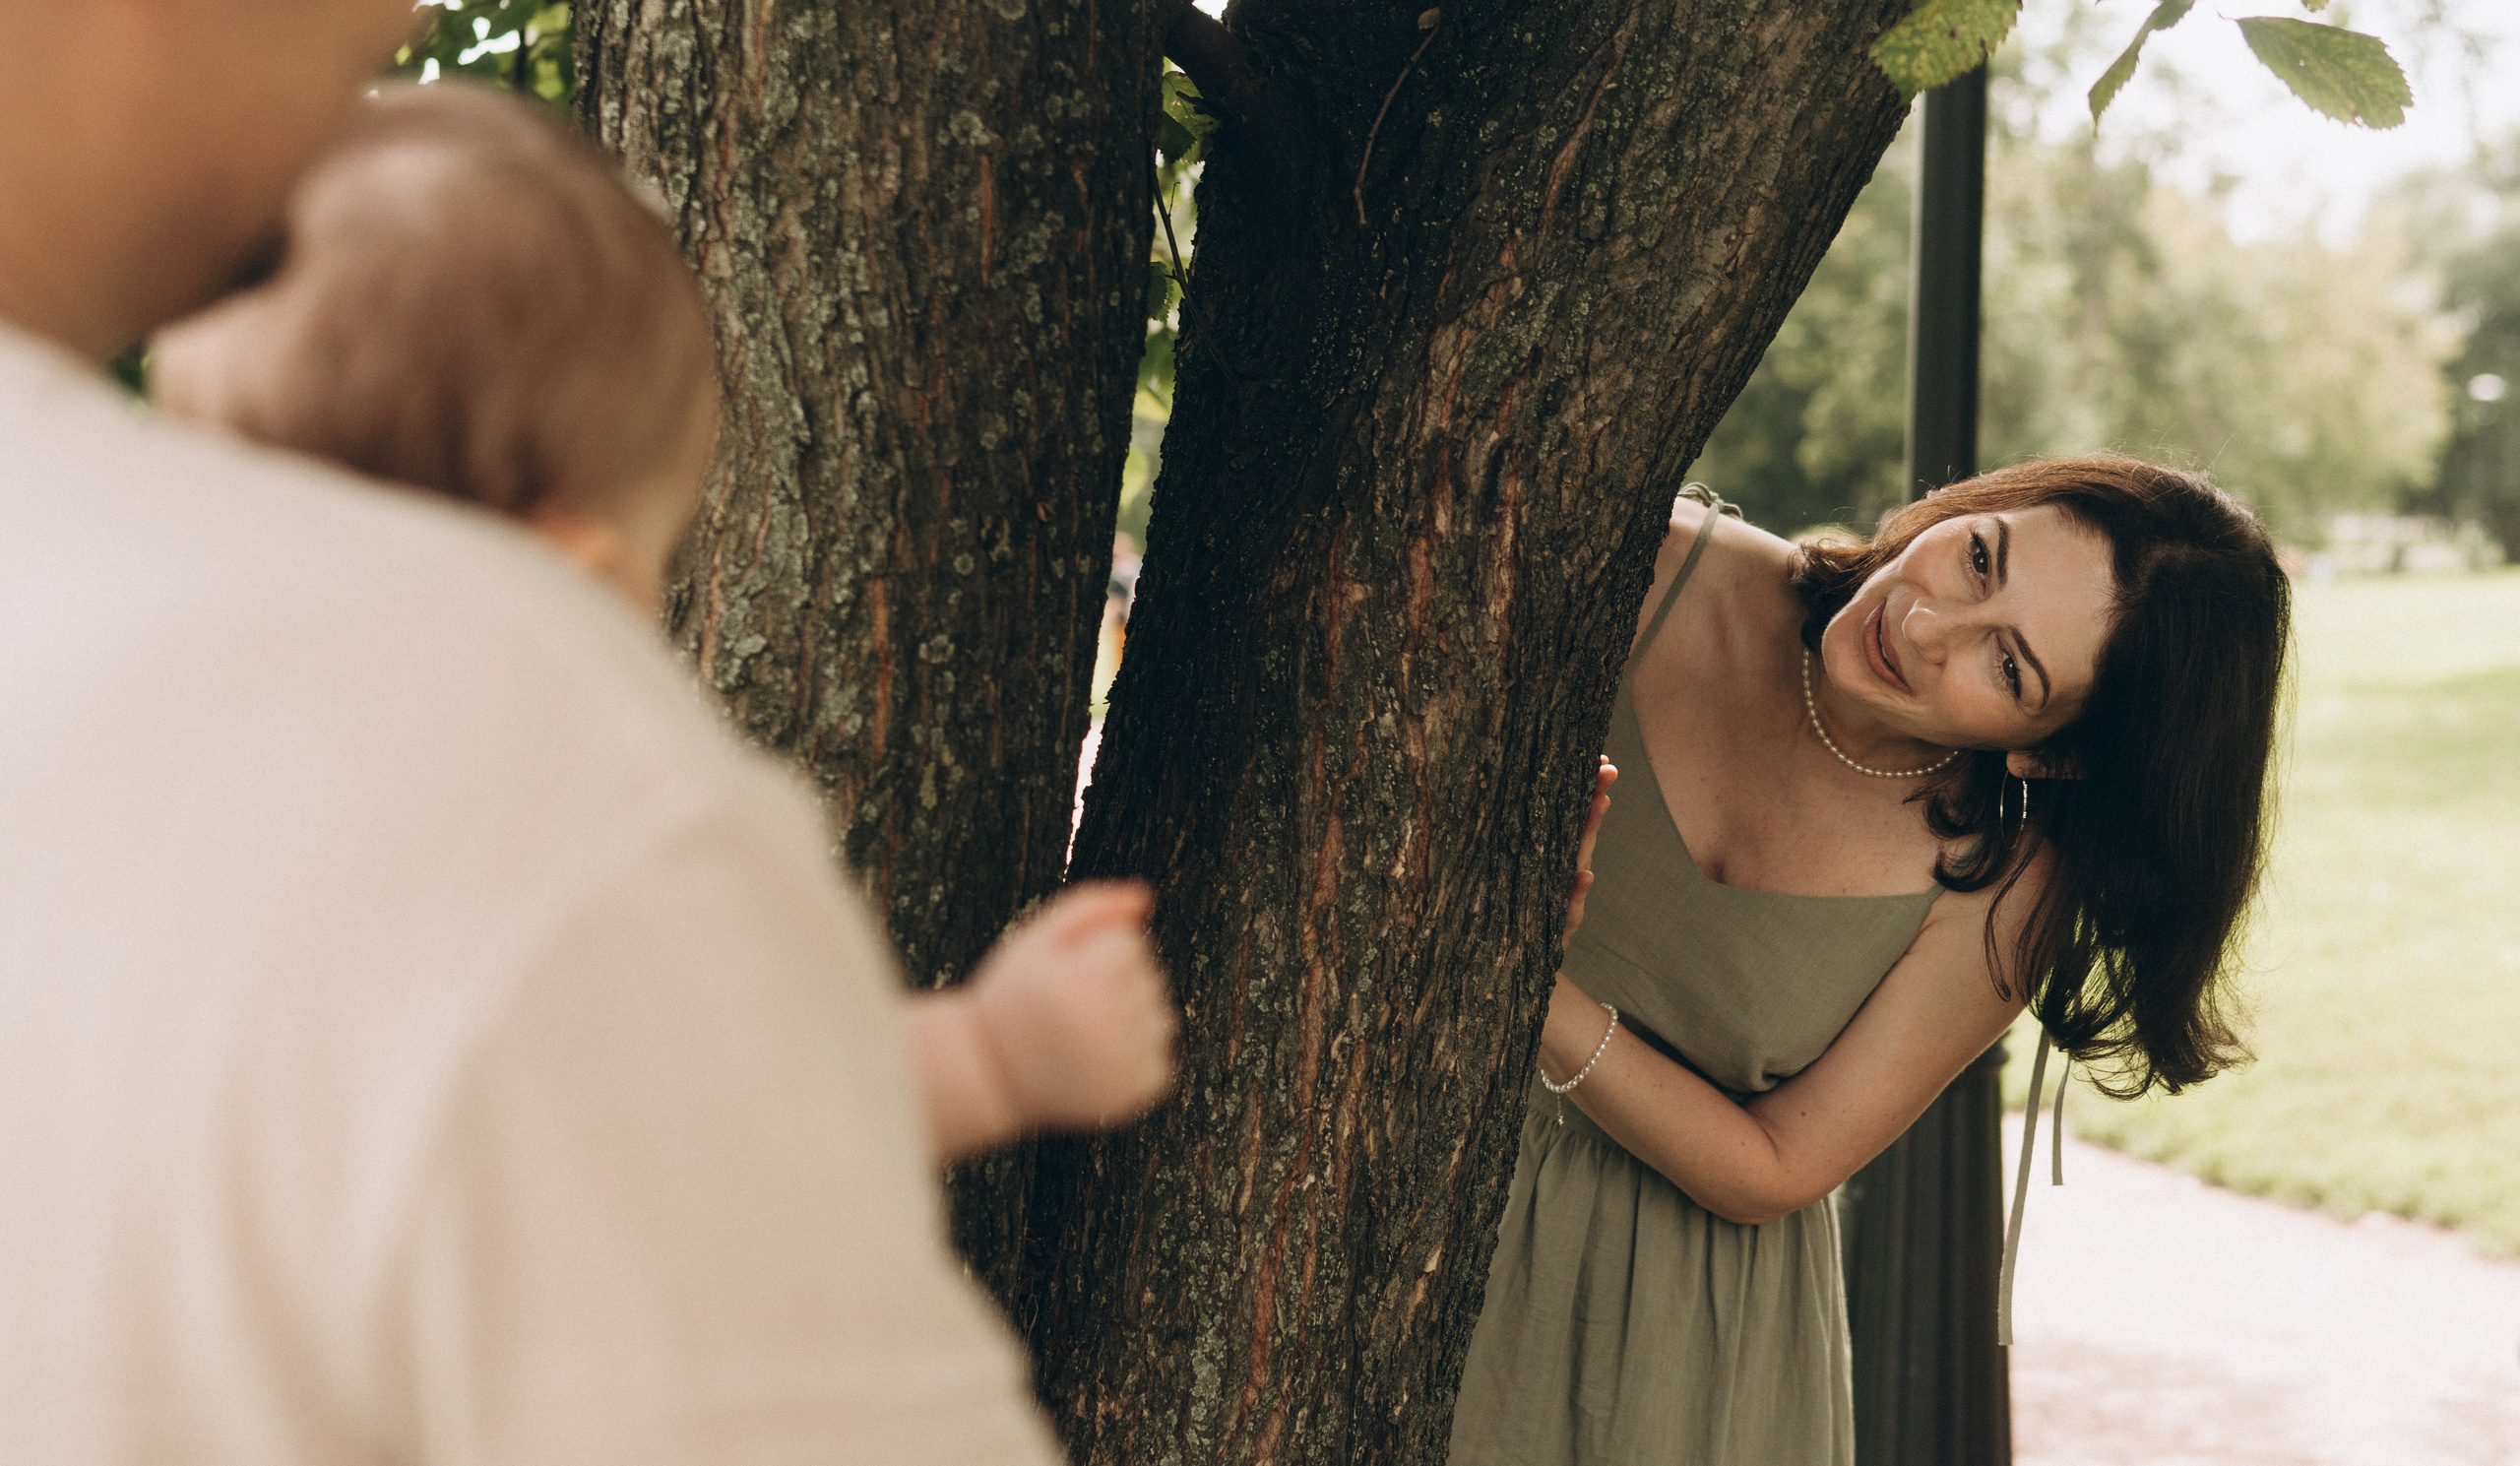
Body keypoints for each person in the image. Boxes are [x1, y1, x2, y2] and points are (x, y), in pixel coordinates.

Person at [0, 7, 1139, 1460]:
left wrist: (985, 1054)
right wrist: (989, 1060)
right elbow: (696, 1138)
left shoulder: (118, 792)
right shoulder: (546, 793)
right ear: (580, 571)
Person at [148, 82, 1174, 1165]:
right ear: (566, 581)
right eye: (656, 555)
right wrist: (991, 1055)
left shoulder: (170, 827)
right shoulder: (566, 843)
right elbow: (720, 1124)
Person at [1448, 462, 2289, 1466]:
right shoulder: (1652, 565)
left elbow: (1775, 1169)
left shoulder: (2004, 891)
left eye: (2008, 667)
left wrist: (1528, 989)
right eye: (1981, 558)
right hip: (1385, 1180)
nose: (1927, 628)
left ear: (2053, 753)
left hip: (1671, 1341)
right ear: (1970, 505)